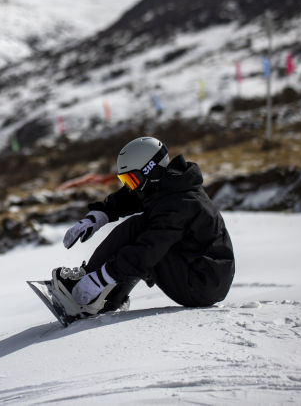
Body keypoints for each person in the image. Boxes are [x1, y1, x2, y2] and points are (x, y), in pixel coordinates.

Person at [51, 136, 235, 318]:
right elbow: (132, 196)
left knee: (139, 233)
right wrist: (99, 215)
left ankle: (88, 293)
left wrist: (100, 278)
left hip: (202, 284)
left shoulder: (179, 203)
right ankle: (108, 299)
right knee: (141, 235)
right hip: (204, 275)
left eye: (132, 179)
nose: (131, 187)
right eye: (126, 181)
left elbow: (147, 251)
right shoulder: (170, 187)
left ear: (150, 170)